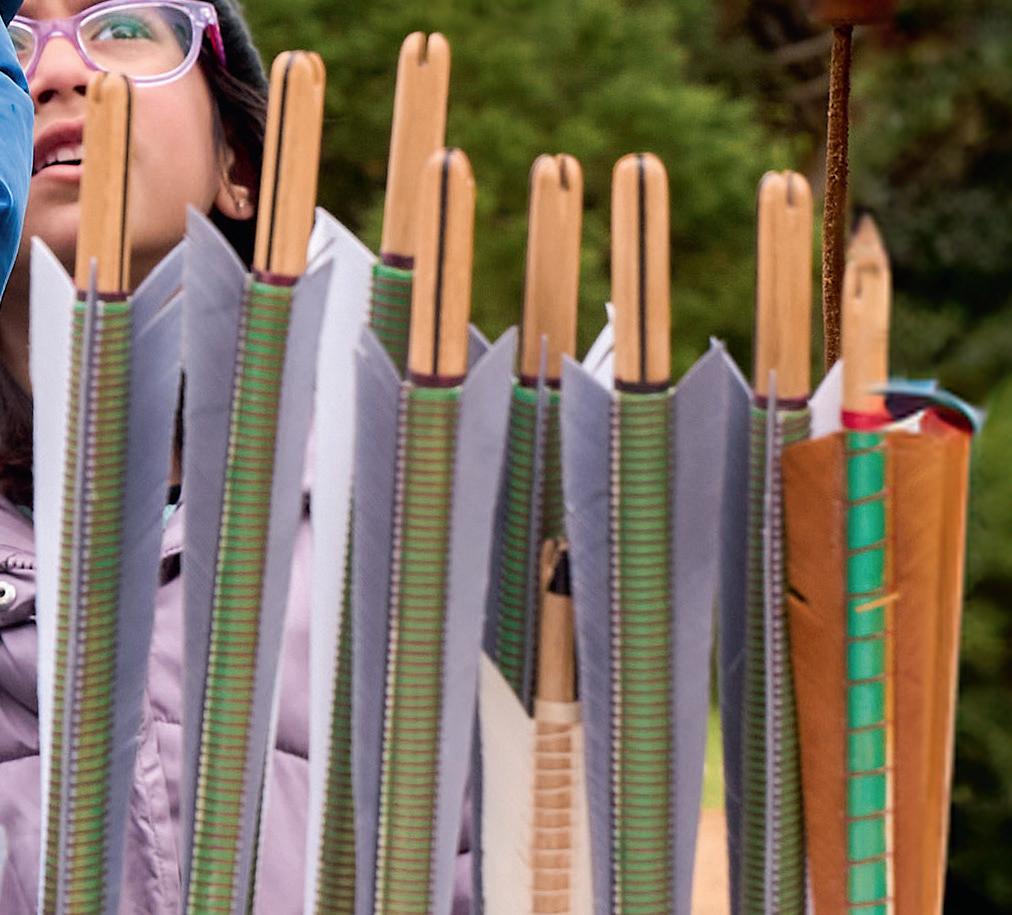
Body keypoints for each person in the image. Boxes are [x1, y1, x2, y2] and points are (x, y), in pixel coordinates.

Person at [0, 2, 478, 912]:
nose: (55, 72)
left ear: (240, 169)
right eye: (8, 44)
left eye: (123, 27)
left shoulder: (400, 514)